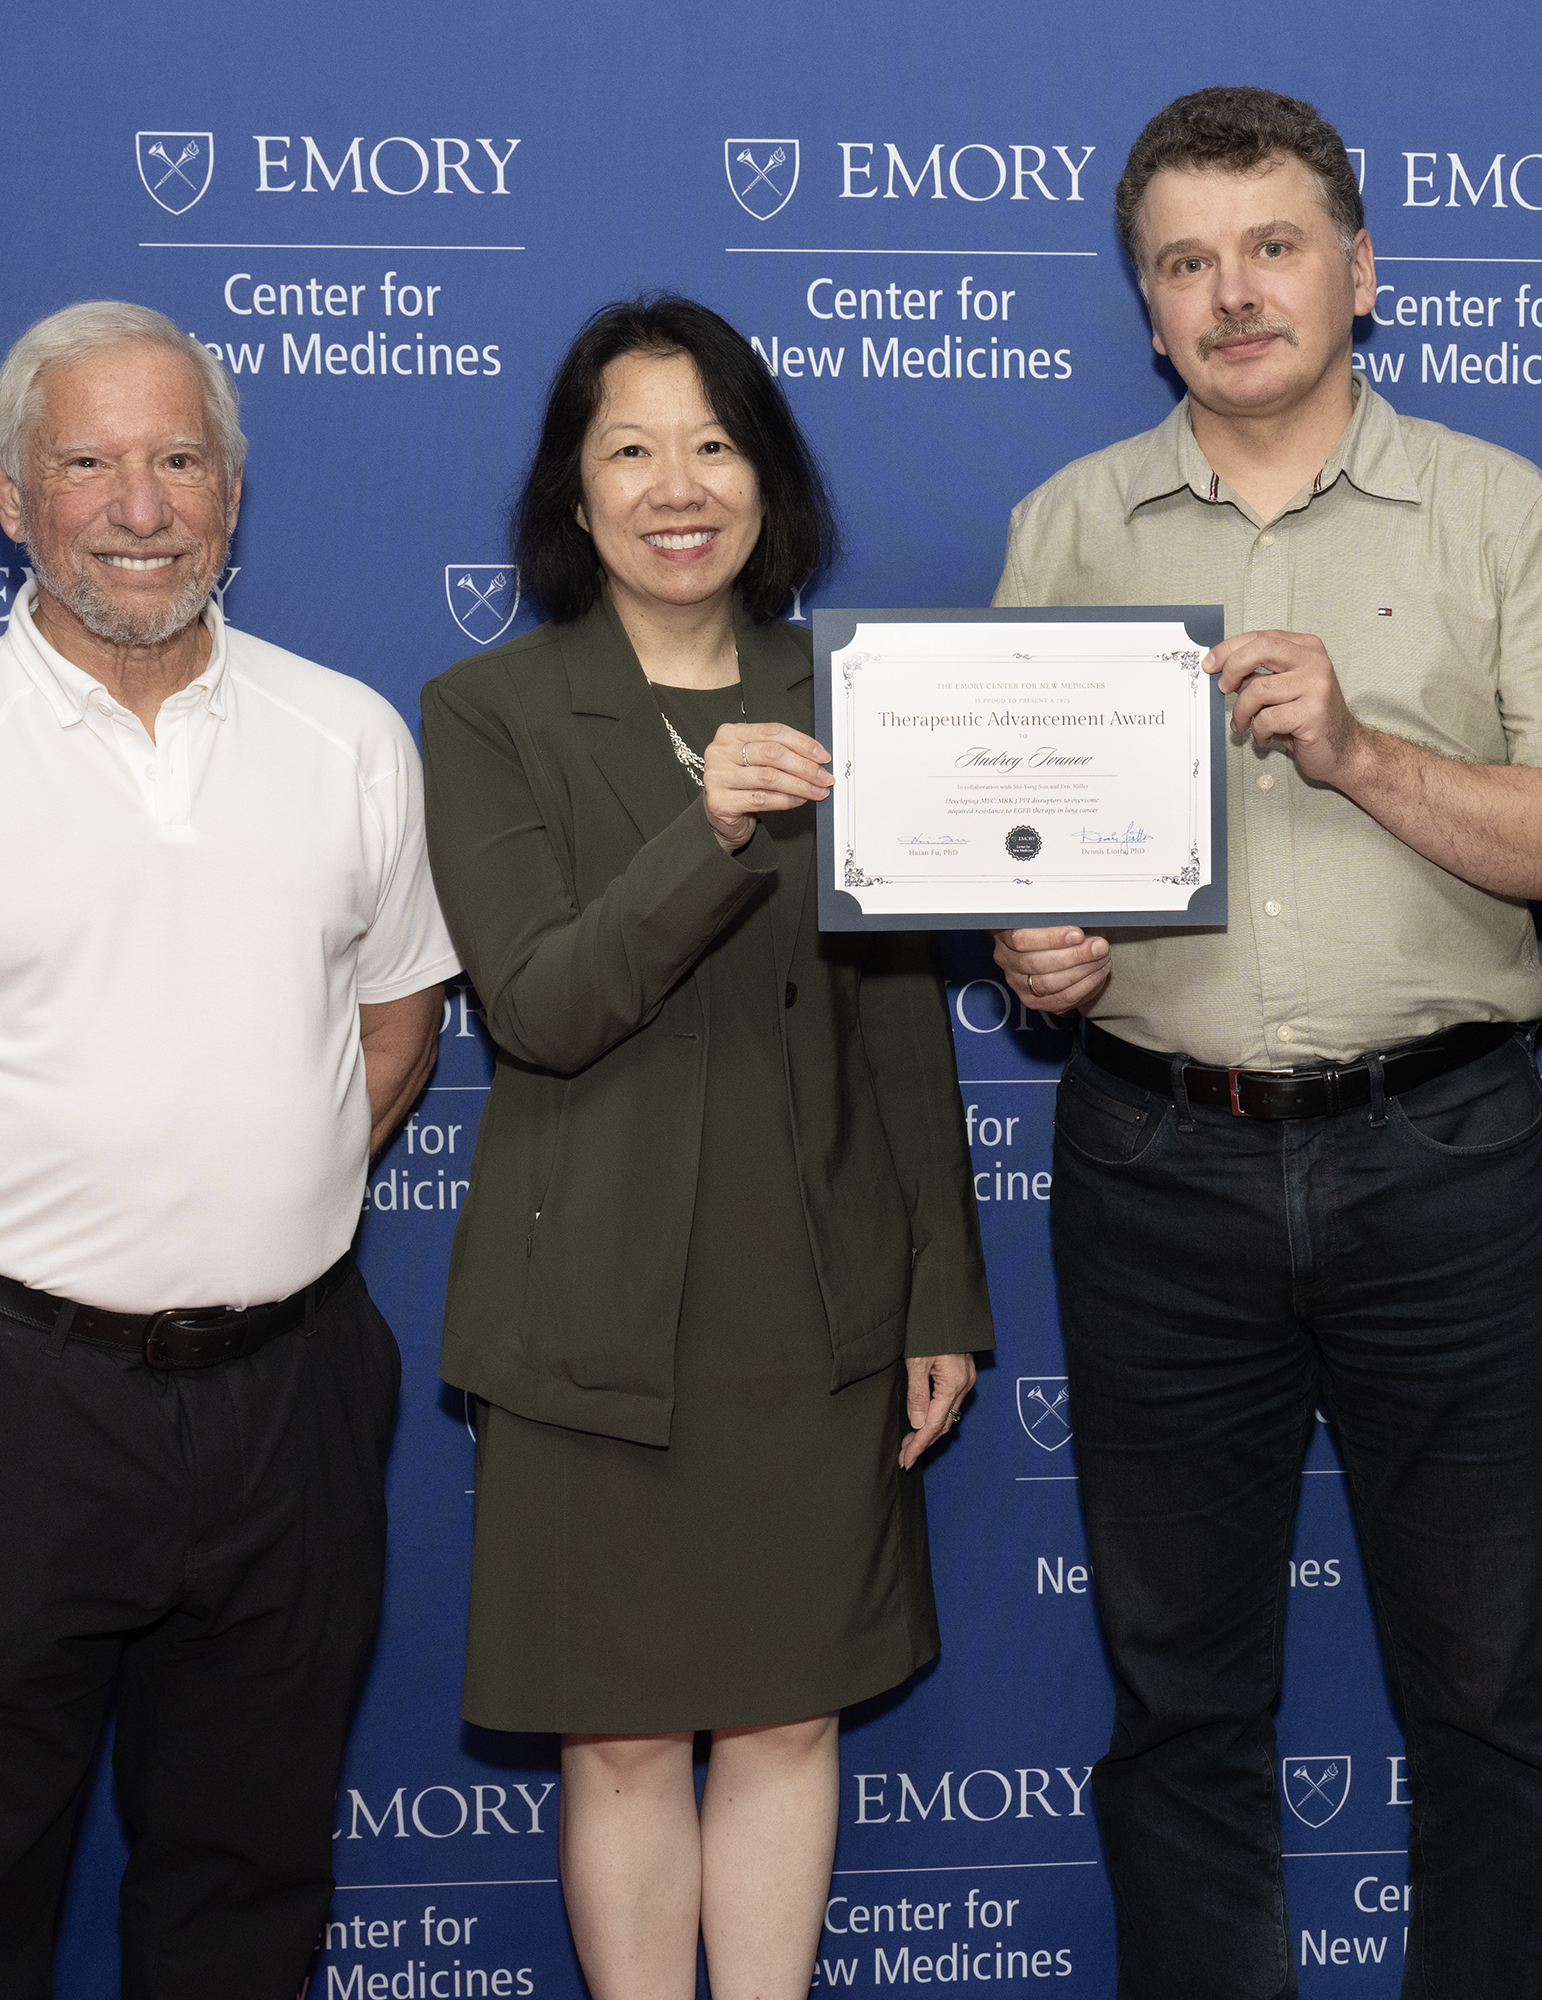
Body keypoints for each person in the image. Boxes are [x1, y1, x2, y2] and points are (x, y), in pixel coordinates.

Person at [989, 88, 1542, 1998]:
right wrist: (1036, 955)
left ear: (1360, 270)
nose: (1234, 293)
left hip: (1436, 1159)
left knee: (1491, 1705)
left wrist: (1362, 750)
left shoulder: (1497, 506)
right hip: (1151, 1163)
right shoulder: (1066, 526)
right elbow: (1006, 862)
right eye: (1186, 263)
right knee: (1178, 1705)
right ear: (1145, 307)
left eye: (1273, 246)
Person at [0, 299, 459, 1996]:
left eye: (180, 459)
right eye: (89, 463)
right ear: (9, 493)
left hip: (293, 1400)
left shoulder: (349, 740)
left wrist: (249, 1212)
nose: (141, 507)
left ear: (233, 489)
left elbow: (398, 1022)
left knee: (250, 1890)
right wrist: (21, 1297)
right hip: (5, 1420)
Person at [419, 294, 992, 2000]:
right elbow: (538, 1000)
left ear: (770, 476)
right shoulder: (489, 711)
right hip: (590, 1312)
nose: (682, 485)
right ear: (573, 494)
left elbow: (902, 1030)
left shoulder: (858, 693)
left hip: (808, 1300)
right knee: (614, 1743)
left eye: (718, 443)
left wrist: (934, 1294)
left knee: (787, 1718)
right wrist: (713, 822)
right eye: (633, 449)